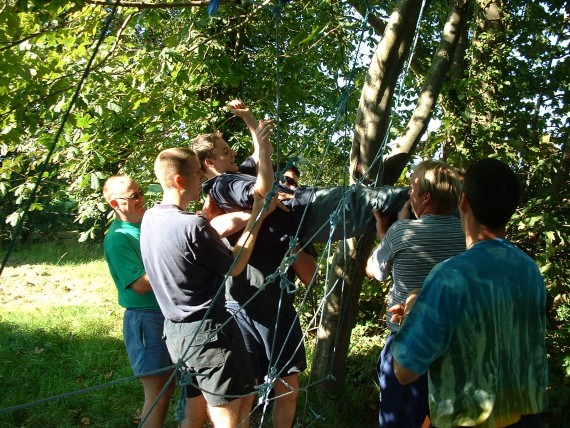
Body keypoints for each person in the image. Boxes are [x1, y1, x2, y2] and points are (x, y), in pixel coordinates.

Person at [392, 158, 548, 427]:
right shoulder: (528, 269)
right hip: (524, 419)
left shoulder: (450, 276)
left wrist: (412, 305)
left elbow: (404, 370)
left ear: (463, 203)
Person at [140, 121, 274, 428]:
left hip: (174, 332)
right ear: (178, 179)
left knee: (194, 414)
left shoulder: (150, 218)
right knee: (231, 416)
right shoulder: (192, 226)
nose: (203, 177)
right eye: (198, 174)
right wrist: (256, 218)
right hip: (209, 335)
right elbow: (235, 266)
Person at [191, 100, 410, 248]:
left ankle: (428, 222)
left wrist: (247, 118)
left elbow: (258, 154)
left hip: (307, 216)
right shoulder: (223, 185)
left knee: (383, 216)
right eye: (225, 152)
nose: (233, 153)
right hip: (308, 211)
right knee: (382, 200)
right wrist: (266, 155)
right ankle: (425, 194)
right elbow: (262, 193)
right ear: (210, 163)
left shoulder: (231, 176)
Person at [365, 160, 465, 428]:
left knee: (400, 420)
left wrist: (386, 236)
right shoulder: (468, 234)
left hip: (409, 342)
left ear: (425, 198)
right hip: (455, 344)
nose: (408, 194)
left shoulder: (402, 232)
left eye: (411, 189)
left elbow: (374, 271)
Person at [102, 175, 175, 428]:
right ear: (115, 204)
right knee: (157, 392)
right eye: (133, 196)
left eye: (140, 192)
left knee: (169, 386)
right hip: (145, 319)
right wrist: (175, 259)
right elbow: (141, 284)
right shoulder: (119, 237)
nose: (140, 198)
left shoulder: (148, 223)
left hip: (168, 313)